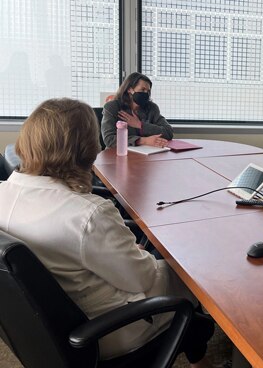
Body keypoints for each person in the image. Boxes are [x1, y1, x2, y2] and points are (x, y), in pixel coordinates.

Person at [0, 99, 214, 365]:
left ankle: (195, 343)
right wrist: (138, 254)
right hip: (110, 330)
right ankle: (200, 340)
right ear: (86, 148)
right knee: (193, 273)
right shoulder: (88, 214)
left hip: (50, 326)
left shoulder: (3, 193)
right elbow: (143, 279)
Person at [102, 72, 173, 149]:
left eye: (148, 91)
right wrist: (142, 140)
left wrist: (140, 125)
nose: (146, 93)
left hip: (146, 154)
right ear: (130, 89)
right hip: (117, 154)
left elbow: (168, 132)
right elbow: (109, 139)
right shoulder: (112, 107)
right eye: (142, 90)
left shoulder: (152, 108)